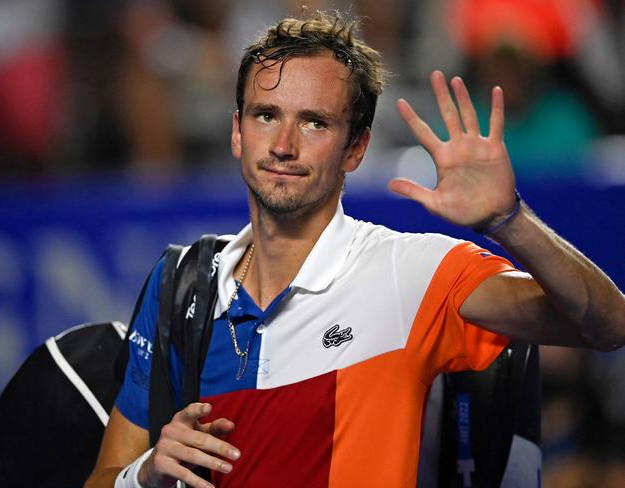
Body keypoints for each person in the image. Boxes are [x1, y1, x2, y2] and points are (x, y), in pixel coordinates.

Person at [84, 11, 625, 488]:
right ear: (236, 132)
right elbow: (106, 479)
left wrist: (511, 221)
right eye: (265, 115)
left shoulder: (410, 274)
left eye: (314, 122)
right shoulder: (182, 282)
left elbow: (607, 325)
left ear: (357, 148)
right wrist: (145, 473)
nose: (283, 145)